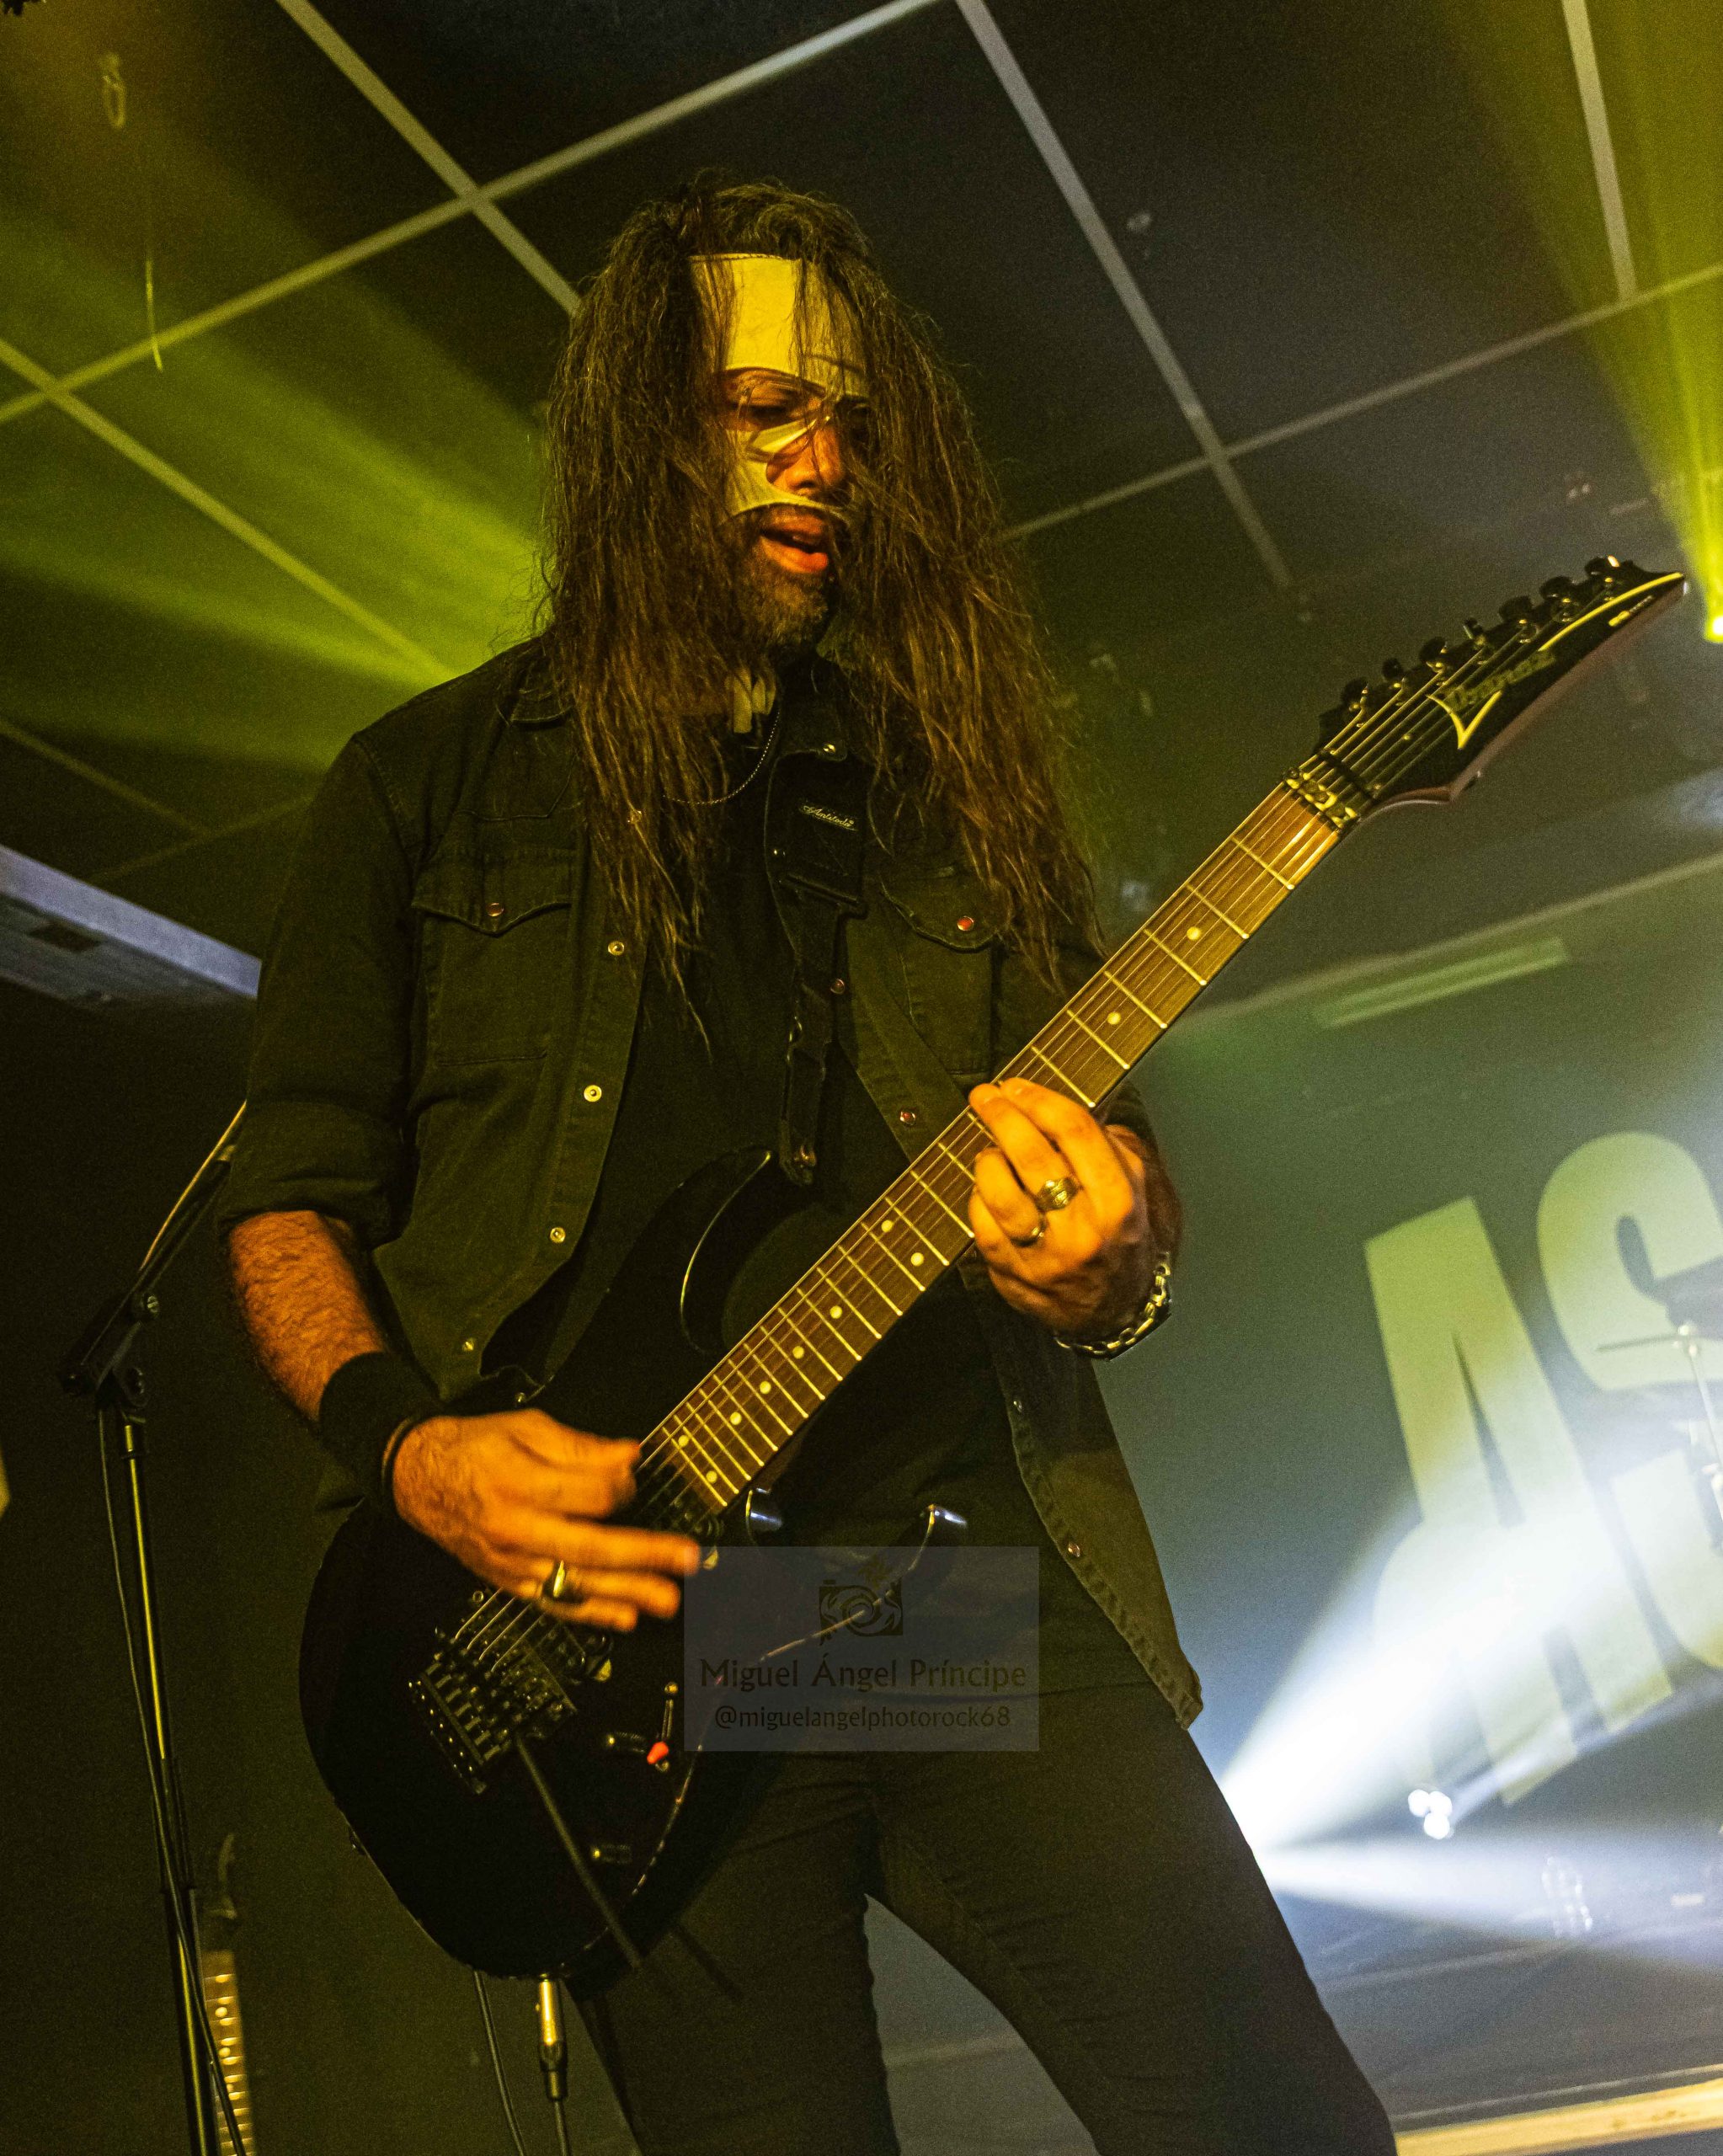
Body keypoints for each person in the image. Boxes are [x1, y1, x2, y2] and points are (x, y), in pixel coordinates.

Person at [221, 175, 1394, 2156]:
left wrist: (1114, 1256)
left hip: (944, 1591)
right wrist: (413, 1454)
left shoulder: (951, 782)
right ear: (635, 434)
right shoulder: (424, 786)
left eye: (847, 420)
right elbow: (287, 1199)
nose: (823, 462)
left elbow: (1115, 1175)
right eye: (762, 409)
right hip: (642, 1644)